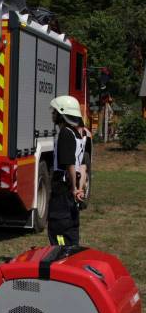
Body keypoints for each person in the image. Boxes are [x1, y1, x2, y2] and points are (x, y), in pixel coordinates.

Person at [48, 95, 86, 246]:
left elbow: (69, 163)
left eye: (55, 112)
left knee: (58, 230)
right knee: (70, 230)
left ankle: (61, 260)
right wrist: (80, 189)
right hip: (71, 192)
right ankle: (70, 259)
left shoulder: (65, 133)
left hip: (63, 190)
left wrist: (73, 188)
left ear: (62, 113)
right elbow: (82, 167)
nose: (53, 114)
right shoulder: (80, 135)